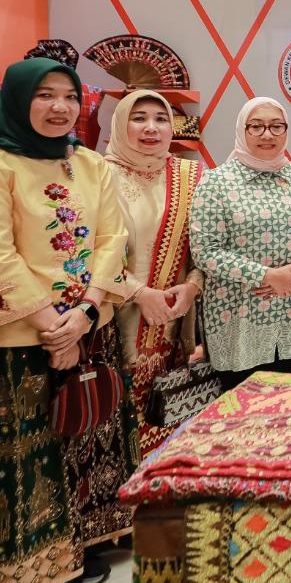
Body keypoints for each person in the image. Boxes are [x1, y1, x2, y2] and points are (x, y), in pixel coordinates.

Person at [0, 59, 134, 583]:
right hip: (10, 344)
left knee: (76, 445)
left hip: (86, 328)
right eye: (45, 95)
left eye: (70, 96)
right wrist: (54, 324)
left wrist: (86, 314)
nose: (60, 107)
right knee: (17, 463)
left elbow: (112, 240)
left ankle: (71, 556)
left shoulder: (90, 164)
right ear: (17, 98)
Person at [188, 97, 291, 392]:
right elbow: (205, 251)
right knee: (240, 408)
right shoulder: (216, 182)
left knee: (289, 405)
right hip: (238, 317)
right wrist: (266, 276)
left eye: (276, 126)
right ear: (242, 129)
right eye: (256, 126)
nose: (267, 134)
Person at [103, 89, 203, 455]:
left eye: (161, 119)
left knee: (170, 424)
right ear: (120, 123)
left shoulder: (192, 175)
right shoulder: (99, 175)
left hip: (174, 326)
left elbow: (206, 248)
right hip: (115, 322)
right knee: (117, 430)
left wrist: (192, 287)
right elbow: (86, 250)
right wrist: (139, 294)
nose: (151, 128)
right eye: (139, 118)